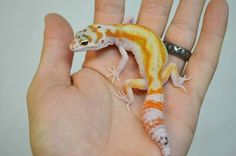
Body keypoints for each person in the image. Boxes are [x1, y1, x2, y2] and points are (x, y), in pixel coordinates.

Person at [27, 0, 228, 155]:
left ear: (103, 39)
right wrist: (177, 81)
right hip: (161, 73)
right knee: (169, 71)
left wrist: (117, 75)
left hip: (152, 78)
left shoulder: (120, 40)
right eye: (83, 42)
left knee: (128, 84)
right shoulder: (120, 31)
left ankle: (136, 105)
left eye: (85, 43)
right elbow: (130, 20)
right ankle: (176, 83)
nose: (79, 47)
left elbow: (123, 58)